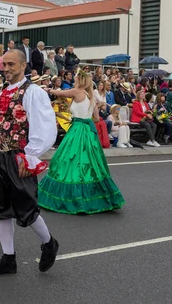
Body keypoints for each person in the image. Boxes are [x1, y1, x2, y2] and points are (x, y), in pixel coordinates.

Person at [0, 49, 59, 276]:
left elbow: (44, 124)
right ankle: (8, 258)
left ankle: (49, 242)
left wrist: (30, 156)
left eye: (11, 65)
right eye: (4, 65)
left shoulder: (33, 92)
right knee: (2, 209)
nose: (6, 69)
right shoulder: (3, 94)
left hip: (18, 156)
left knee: (26, 208)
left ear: (22, 66)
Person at [40, 71, 124, 214]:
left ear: (80, 81)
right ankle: (96, 196)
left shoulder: (77, 91)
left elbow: (60, 94)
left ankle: (72, 198)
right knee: (91, 162)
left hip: (77, 129)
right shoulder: (91, 97)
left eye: (76, 79)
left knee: (69, 160)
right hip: (87, 130)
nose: (74, 81)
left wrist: (47, 89)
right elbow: (97, 118)